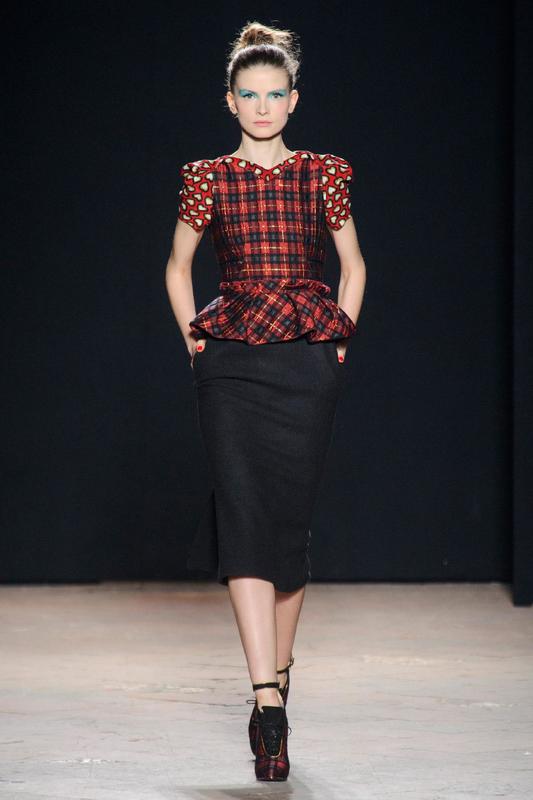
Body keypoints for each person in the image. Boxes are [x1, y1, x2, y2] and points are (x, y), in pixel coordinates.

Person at [165, 20, 366, 782]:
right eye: (247, 95)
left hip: (305, 361)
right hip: (231, 362)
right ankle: (267, 702)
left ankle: (277, 679)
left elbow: (353, 264)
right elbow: (177, 266)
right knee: (244, 516)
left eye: (273, 94)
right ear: (229, 100)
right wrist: (194, 340)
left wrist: (339, 342)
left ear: (293, 99)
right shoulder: (207, 178)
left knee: (287, 525)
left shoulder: (323, 174)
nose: (260, 107)